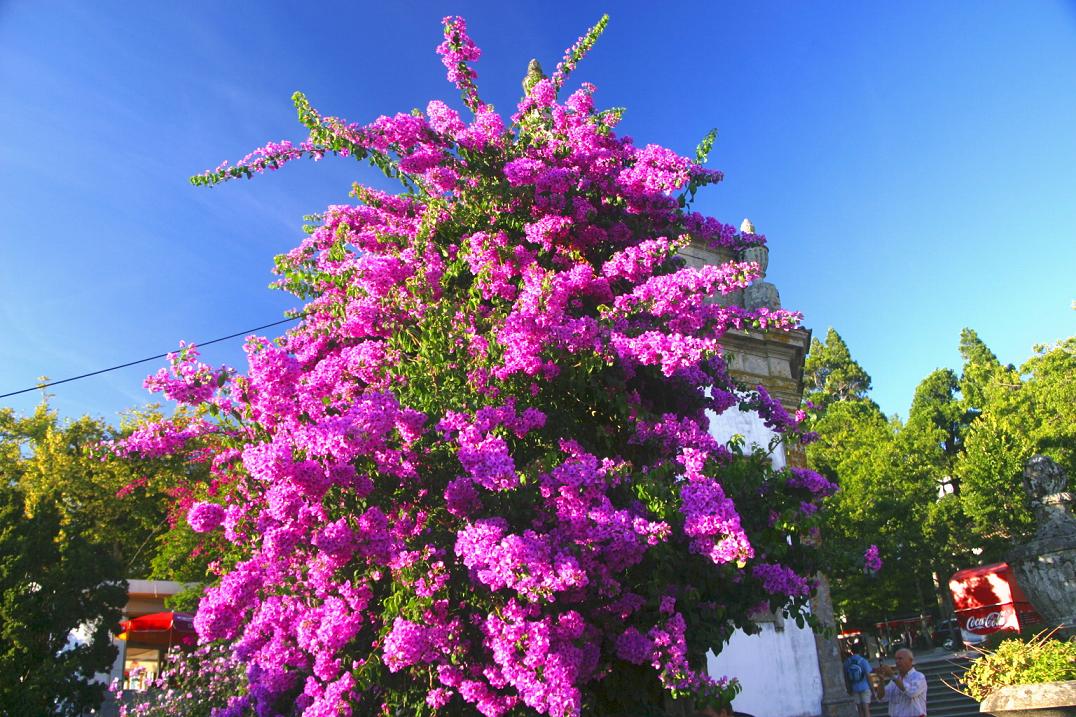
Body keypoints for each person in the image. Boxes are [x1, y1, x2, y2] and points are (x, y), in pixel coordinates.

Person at [874, 647, 928, 717]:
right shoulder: (894, 680)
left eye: (900, 659)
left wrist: (892, 675)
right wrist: (881, 680)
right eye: (896, 659)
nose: (897, 662)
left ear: (910, 660)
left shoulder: (919, 677)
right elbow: (881, 697)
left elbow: (911, 693)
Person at [843, 644, 874, 717]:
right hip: (864, 687)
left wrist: (848, 689)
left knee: (860, 710)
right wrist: (872, 689)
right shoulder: (863, 661)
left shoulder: (847, 662)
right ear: (860, 650)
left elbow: (846, 677)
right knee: (866, 709)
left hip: (854, 688)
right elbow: (868, 676)